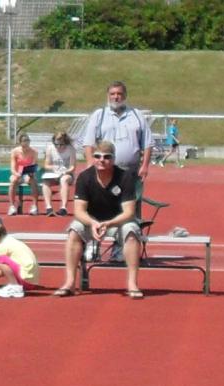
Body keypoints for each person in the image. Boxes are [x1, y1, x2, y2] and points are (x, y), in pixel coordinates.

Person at [53, 140, 145, 300]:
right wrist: (93, 223)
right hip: (92, 222)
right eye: (97, 156)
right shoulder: (85, 177)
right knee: (74, 230)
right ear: (93, 158)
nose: (102, 160)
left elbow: (129, 212)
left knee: (131, 231)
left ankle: (132, 283)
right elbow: (79, 211)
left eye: (107, 157)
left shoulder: (125, 177)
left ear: (113, 159)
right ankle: (70, 282)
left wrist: (109, 223)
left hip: (118, 222)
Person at [81, 81, 152, 261]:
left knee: (129, 210)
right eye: (112, 94)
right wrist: (90, 165)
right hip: (103, 171)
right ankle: (92, 245)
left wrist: (145, 165)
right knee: (97, 207)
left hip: (129, 172)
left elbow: (147, 143)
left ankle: (121, 248)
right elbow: (88, 142)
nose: (116, 97)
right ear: (108, 95)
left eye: (119, 94)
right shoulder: (99, 115)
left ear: (125, 96)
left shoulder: (137, 116)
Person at [0, 221, 39, 298]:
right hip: (32, 281)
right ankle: (15, 286)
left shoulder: (2, 246)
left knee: (1, 259)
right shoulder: (11, 240)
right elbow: (9, 269)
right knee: (4, 261)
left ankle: (15, 287)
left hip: (25, 280)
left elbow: (5, 269)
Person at [41, 131, 76, 217]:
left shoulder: (71, 149)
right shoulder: (50, 148)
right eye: (56, 144)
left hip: (67, 173)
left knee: (63, 180)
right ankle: (48, 207)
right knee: (45, 181)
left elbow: (72, 167)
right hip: (54, 174)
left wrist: (65, 172)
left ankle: (63, 208)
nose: (59, 147)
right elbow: (46, 165)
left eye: (61, 144)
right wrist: (53, 168)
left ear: (65, 142)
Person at [7, 133, 40, 216]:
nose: (26, 143)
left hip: (28, 174)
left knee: (33, 180)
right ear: (20, 142)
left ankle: (35, 206)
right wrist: (16, 174)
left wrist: (31, 173)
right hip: (17, 173)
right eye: (24, 141)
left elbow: (34, 165)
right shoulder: (15, 152)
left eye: (28, 140)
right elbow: (12, 168)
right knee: (13, 180)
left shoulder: (34, 152)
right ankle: (12, 206)